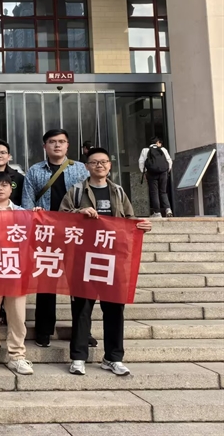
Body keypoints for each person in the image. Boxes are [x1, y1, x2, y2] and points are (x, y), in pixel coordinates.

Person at [60, 147, 152, 376]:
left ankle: (113, 358)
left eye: (103, 162)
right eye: (94, 162)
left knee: (114, 309)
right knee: (82, 309)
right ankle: (78, 357)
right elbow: (61, 219)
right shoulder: (76, 190)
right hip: (84, 258)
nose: (99, 165)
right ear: (87, 167)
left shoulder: (118, 191)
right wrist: (80, 212)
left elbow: (129, 219)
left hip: (113, 259)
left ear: (110, 166)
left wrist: (141, 226)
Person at [22, 129, 89, 348]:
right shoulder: (35, 171)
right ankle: (44, 330)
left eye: (61, 141)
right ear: (45, 146)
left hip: (74, 234)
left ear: (68, 145)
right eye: (52, 142)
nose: (57, 145)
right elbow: (27, 203)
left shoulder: (81, 169)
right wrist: (33, 215)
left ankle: (82, 332)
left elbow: (89, 199)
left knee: (78, 286)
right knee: (46, 282)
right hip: (46, 234)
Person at [0, 170, 35, 376]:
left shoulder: (23, 214)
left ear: (11, 189)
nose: (0, 189)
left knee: (17, 316)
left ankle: (17, 356)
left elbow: (31, 242)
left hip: (15, 270)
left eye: (4, 185)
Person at [139, 137, 173, 218]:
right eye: (160, 142)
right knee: (163, 192)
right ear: (157, 142)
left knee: (154, 193)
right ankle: (168, 209)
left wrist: (144, 173)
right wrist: (167, 171)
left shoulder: (145, 150)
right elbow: (169, 161)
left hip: (151, 173)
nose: (160, 144)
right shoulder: (163, 150)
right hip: (163, 173)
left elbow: (141, 162)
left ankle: (157, 213)